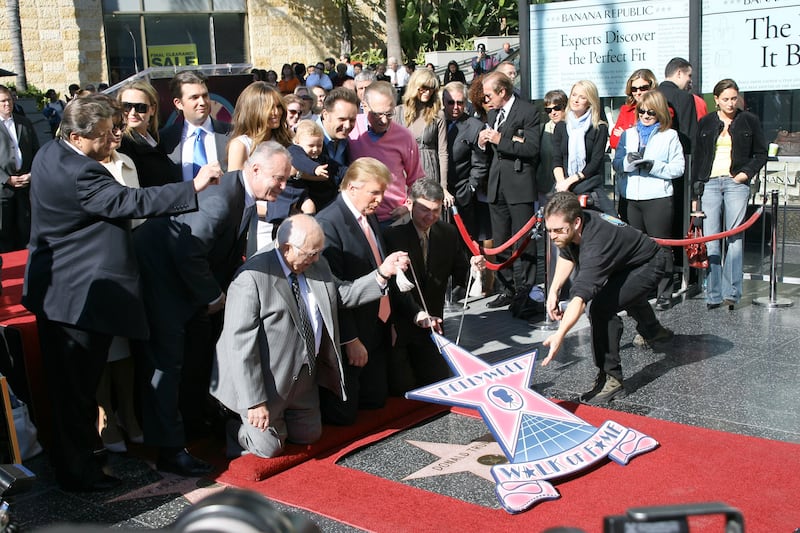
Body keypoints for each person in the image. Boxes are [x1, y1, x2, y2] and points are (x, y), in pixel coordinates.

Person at [22, 94, 221, 492]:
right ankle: (79, 474)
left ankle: (77, 463)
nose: (115, 138)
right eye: (106, 134)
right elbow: (129, 201)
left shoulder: (49, 152)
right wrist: (192, 187)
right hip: (78, 297)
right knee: (76, 393)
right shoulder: (84, 173)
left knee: (71, 391)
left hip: (58, 289)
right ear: (78, 137)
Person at [133, 141, 291, 477]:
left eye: (286, 179)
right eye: (278, 178)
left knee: (194, 357)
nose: (283, 186)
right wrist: (212, 296)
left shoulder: (245, 194)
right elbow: (188, 252)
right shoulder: (221, 199)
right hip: (164, 281)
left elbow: (223, 251)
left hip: (187, 282)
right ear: (255, 169)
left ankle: (191, 425)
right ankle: (169, 451)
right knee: (167, 364)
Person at [212, 214, 410, 458]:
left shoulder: (317, 264)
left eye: (319, 251)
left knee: (309, 435)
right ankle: (234, 426)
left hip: (304, 377)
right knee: (269, 448)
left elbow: (342, 295)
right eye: (310, 253)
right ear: (286, 248)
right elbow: (239, 345)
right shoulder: (251, 277)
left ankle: (280, 420)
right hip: (266, 380)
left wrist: (381, 274)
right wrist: (254, 401)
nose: (316, 258)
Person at [540, 192, 673, 404]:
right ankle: (653, 331)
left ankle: (612, 379)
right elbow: (567, 254)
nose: (553, 236)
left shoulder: (596, 245)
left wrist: (560, 334)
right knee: (623, 292)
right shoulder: (575, 224)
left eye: (558, 230)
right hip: (627, 261)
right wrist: (553, 291)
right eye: (549, 231)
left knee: (600, 308)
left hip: (650, 263)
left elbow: (580, 297)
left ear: (576, 222)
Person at [315, 158, 417, 424]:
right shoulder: (328, 223)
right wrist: (349, 340)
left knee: (376, 401)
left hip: (377, 325)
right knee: (343, 415)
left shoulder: (367, 216)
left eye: (382, 192)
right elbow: (332, 292)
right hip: (353, 330)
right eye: (375, 192)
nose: (380, 199)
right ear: (352, 188)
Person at [384, 178, 485, 393]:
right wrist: (417, 314)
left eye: (436, 210)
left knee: (437, 382)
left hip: (433, 326)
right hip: (401, 326)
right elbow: (393, 288)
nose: (430, 217)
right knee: (402, 389)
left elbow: (461, 276)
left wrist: (474, 269)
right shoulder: (392, 235)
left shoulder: (447, 233)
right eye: (424, 210)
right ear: (409, 204)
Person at [94, 102, 144, 453]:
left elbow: (139, 215)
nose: (117, 133)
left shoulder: (128, 164)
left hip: (131, 263)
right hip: (98, 270)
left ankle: (128, 411)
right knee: (102, 347)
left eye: (119, 126)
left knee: (125, 347)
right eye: (111, 127)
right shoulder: (81, 169)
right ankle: (105, 417)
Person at [692, 79, 767, 310]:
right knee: (712, 239)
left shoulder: (748, 120)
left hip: (736, 182)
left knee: (734, 238)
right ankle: (713, 294)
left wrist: (745, 174)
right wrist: (696, 193)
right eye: (725, 99)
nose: (730, 103)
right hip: (711, 183)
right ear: (716, 100)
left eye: (734, 98)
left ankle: (732, 293)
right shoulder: (705, 123)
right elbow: (697, 158)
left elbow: (761, 152)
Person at [612, 89, 685, 312]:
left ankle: (664, 291)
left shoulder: (669, 135)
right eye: (641, 111)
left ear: (660, 112)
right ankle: (638, 292)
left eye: (650, 113)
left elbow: (678, 168)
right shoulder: (629, 134)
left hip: (658, 198)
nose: (644, 116)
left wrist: (653, 166)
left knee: (661, 246)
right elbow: (616, 163)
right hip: (631, 196)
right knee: (635, 248)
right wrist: (628, 163)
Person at [477, 71, 540, 308]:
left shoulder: (528, 111)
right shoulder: (493, 114)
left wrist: (500, 140)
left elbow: (531, 149)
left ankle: (527, 289)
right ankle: (507, 288)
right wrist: (483, 142)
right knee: (501, 239)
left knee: (523, 239)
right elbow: (493, 148)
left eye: (488, 95)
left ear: (502, 92)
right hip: (497, 185)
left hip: (519, 184)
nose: (486, 101)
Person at [226, 81, 293, 250]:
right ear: (254, 109)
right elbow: (236, 194)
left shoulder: (283, 141)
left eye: (279, 106)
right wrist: (275, 210)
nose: (276, 112)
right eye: (270, 108)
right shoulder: (241, 145)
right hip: (254, 227)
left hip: (286, 223)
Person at [348, 81, 424, 226]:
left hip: (393, 217)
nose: (383, 120)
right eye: (377, 114)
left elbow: (417, 179)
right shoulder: (352, 129)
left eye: (389, 114)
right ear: (364, 106)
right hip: (359, 217)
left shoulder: (404, 137)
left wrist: (408, 206)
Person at [552, 79, 615, 216]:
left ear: (590, 101)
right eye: (574, 95)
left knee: (612, 222)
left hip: (588, 184)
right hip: (562, 185)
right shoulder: (561, 126)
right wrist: (562, 183)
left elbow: (595, 162)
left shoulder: (600, 127)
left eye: (582, 97)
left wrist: (570, 181)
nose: (576, 100)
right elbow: (556, 159)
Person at [160, 70, 232, 182]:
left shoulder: (232, 134)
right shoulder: (165, 140)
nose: (202, 102)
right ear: (178, 103)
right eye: (194, 97)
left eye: (205, 95)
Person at [395, 69, 452, 206]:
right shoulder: (399, 112)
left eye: (432, 88)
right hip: (404, 169)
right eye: (424, 88)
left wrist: (443, 187)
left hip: (429, 168)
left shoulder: (438, 115)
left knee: (428, 210)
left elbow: (443, 152)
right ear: (415, 86)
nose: (428, 92)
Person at [442, 81, 489, 241]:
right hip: (437, 191)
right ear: (443, 102)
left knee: (464, 241)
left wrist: (470, 188)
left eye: (460, 102)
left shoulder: (475, 126)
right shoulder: (434, 122)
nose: (455, 107)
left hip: (462, 193)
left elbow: (480, 162)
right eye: (450, 102)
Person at [116, 79, 181, 187]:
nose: (132, 113)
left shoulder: (158, 139)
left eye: (140, 107)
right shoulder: (120, 144)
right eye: (126, 106)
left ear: (152, 109)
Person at [0, 84, 39, 252]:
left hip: (25, 187)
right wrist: (6, 178)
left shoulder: (24, 122)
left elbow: (36, 151)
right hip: (3, 191)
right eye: (2, 101)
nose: (7, 104)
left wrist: (31, 174)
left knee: (26, 232)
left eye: (9, 100)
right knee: (5, 235)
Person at [288, 119, 334, 211]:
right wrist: (315, 168)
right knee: (309, 207)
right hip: (296, 189)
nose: (315, 149)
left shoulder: (319, 156)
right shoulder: (294, 151)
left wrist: (346, 172)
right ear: (297, 142)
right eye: (311, 146)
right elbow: (301, 161)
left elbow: (333, 166)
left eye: (319, 145)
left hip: (317, 192)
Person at [610, 69, 658, 149]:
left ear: (652, 87)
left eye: (643, 88)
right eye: (634, 89)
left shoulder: (661, 108)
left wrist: (625, 134)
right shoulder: (626, 110)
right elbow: (613, 142)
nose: (638, 92)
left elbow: (658, 141)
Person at [537, 89, 567, 210]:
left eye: (557, 108)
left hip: (567, 187)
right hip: (545, 188)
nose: (553, 113)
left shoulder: (573, 129)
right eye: (548, 110)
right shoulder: (542, 129)